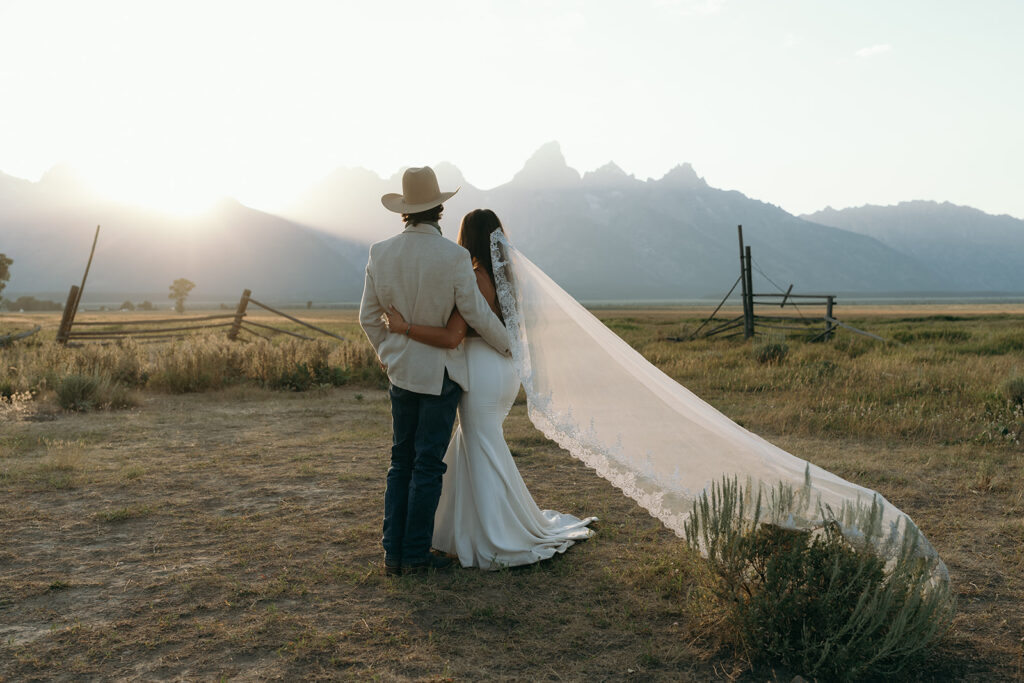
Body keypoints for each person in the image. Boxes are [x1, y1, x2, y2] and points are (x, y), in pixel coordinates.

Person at [382, 209, 596, 570]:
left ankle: (496, 533)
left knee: (480, 442)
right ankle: (477, 526)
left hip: (481, 367)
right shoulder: (506, 278)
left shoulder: (474, 276)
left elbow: (454, 335)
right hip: (503, 369)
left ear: (467, 237)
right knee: (480, 441)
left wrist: (404, 328)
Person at [359, 167, 509, 576]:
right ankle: (416, 555)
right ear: (439, 210)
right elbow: (477, 314)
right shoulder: (455, 257)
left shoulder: (380, 252)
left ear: (405, 211)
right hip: (441, 375)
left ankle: (393, 555)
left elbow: (368, 318)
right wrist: (510, 346)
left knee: (399, 461)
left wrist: (389, 355)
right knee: (428, 465)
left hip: (401, 373)